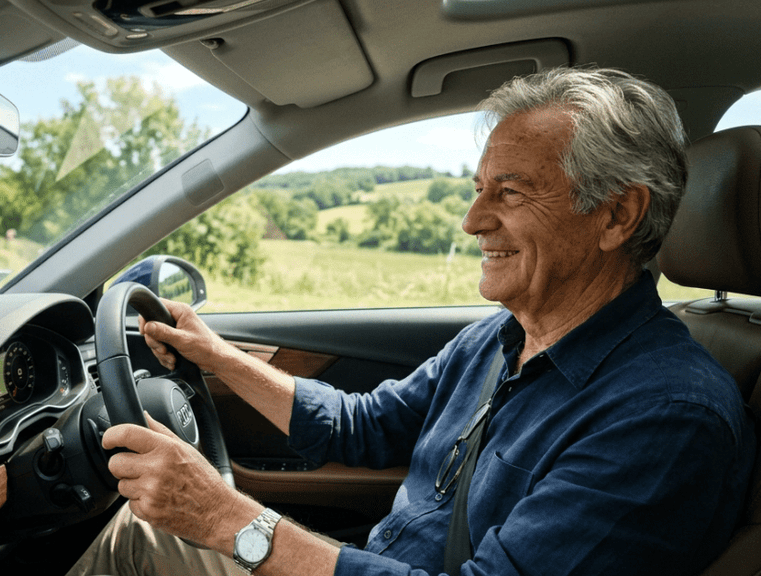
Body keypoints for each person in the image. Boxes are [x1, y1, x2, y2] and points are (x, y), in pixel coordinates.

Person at [67, 67, 756, 575]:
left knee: (141, 540)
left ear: (617, 215)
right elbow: (365, 426)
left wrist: (228, 518)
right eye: (478, 189)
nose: (472, 220)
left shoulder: (667, 416)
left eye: (509, 193)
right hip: (376, 560)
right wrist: (218, 356)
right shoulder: (502, 336)